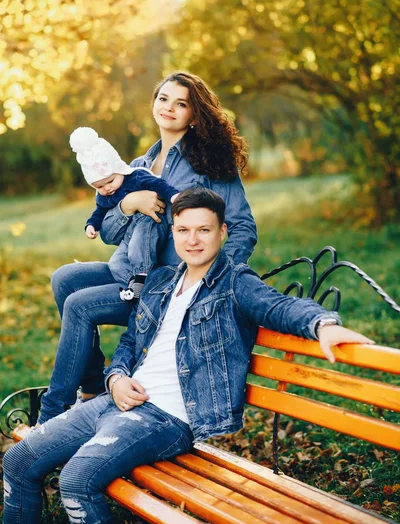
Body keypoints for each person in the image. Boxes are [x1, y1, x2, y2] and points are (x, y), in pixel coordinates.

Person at [2, 187, 375, 524]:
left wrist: (323, 324)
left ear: (222, 232)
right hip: (115, 402)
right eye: (183, 230)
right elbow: (130, 344)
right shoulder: (161, 282)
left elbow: (278, 306)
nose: (193, 240)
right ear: (173, 232)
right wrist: (115, 379)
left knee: (77, 481)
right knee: (17, 462)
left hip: (165, 418)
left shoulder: (234, 282)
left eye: (204, 230)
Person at [37, 71, 258, 425]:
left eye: (181, 103)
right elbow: (108, 231)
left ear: (194, 114)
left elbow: (243, 227)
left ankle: (51, 416)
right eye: (163, 98)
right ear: (153, 102)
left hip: (168, 287)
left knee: (80, 305)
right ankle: (92, 387)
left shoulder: (209, 163)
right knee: (65, 278)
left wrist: (210, 280)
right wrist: (130, 204)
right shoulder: (134, 167)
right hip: (131, 272)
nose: (169, 108)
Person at [69, 126, 180, 299]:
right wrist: (92, 224)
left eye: (110, 181)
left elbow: (159, 185)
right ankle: (135, 286)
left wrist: (173, 196)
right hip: (128, 234)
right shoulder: (104, 194)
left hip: (149, 224)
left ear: (119, 169)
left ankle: (143, 279)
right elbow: (100, 211)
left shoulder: (136, 177)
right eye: (99, 186)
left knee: (137, 249)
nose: (107, 188)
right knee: (116, 263)